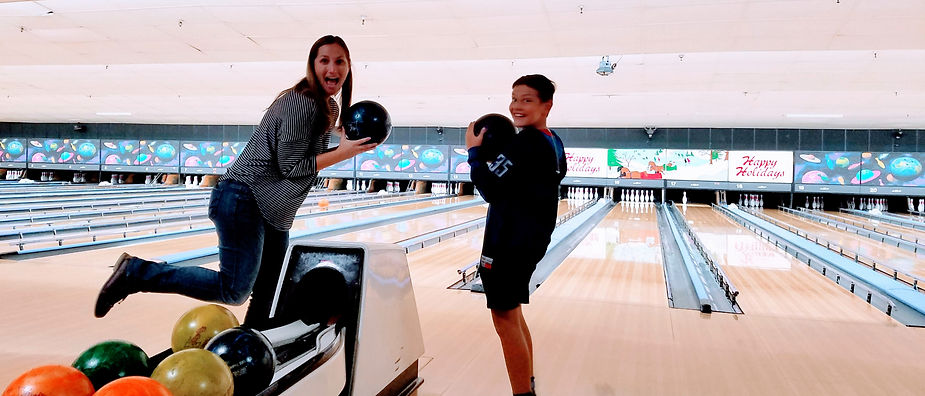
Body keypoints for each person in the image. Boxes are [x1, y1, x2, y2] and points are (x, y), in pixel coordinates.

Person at [94, 35, 377, 327]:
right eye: (325, 60)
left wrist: (340, 141)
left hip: (272, 211)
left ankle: (252, 341)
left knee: (269, 290)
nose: (333, 68)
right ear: (313, 65)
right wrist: (342, 153)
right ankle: (136, 273)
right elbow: (290, 167)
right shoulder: (302, 103)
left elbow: (303, 160)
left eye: (339, 61)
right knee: (234, 289)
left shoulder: (327, 107)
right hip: (245, 198)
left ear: (348, 67)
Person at [466, 74, 566, 396]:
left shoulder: (526, 142)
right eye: (514, 98)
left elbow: (490, 188)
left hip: (509, 243)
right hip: (531, 238)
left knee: (504, 321)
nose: (517, 106)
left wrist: (474, 152)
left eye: (527, 100)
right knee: (514, 314)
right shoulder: (553, 140)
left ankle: (523, 393)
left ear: (546, 104)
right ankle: (528, 383)